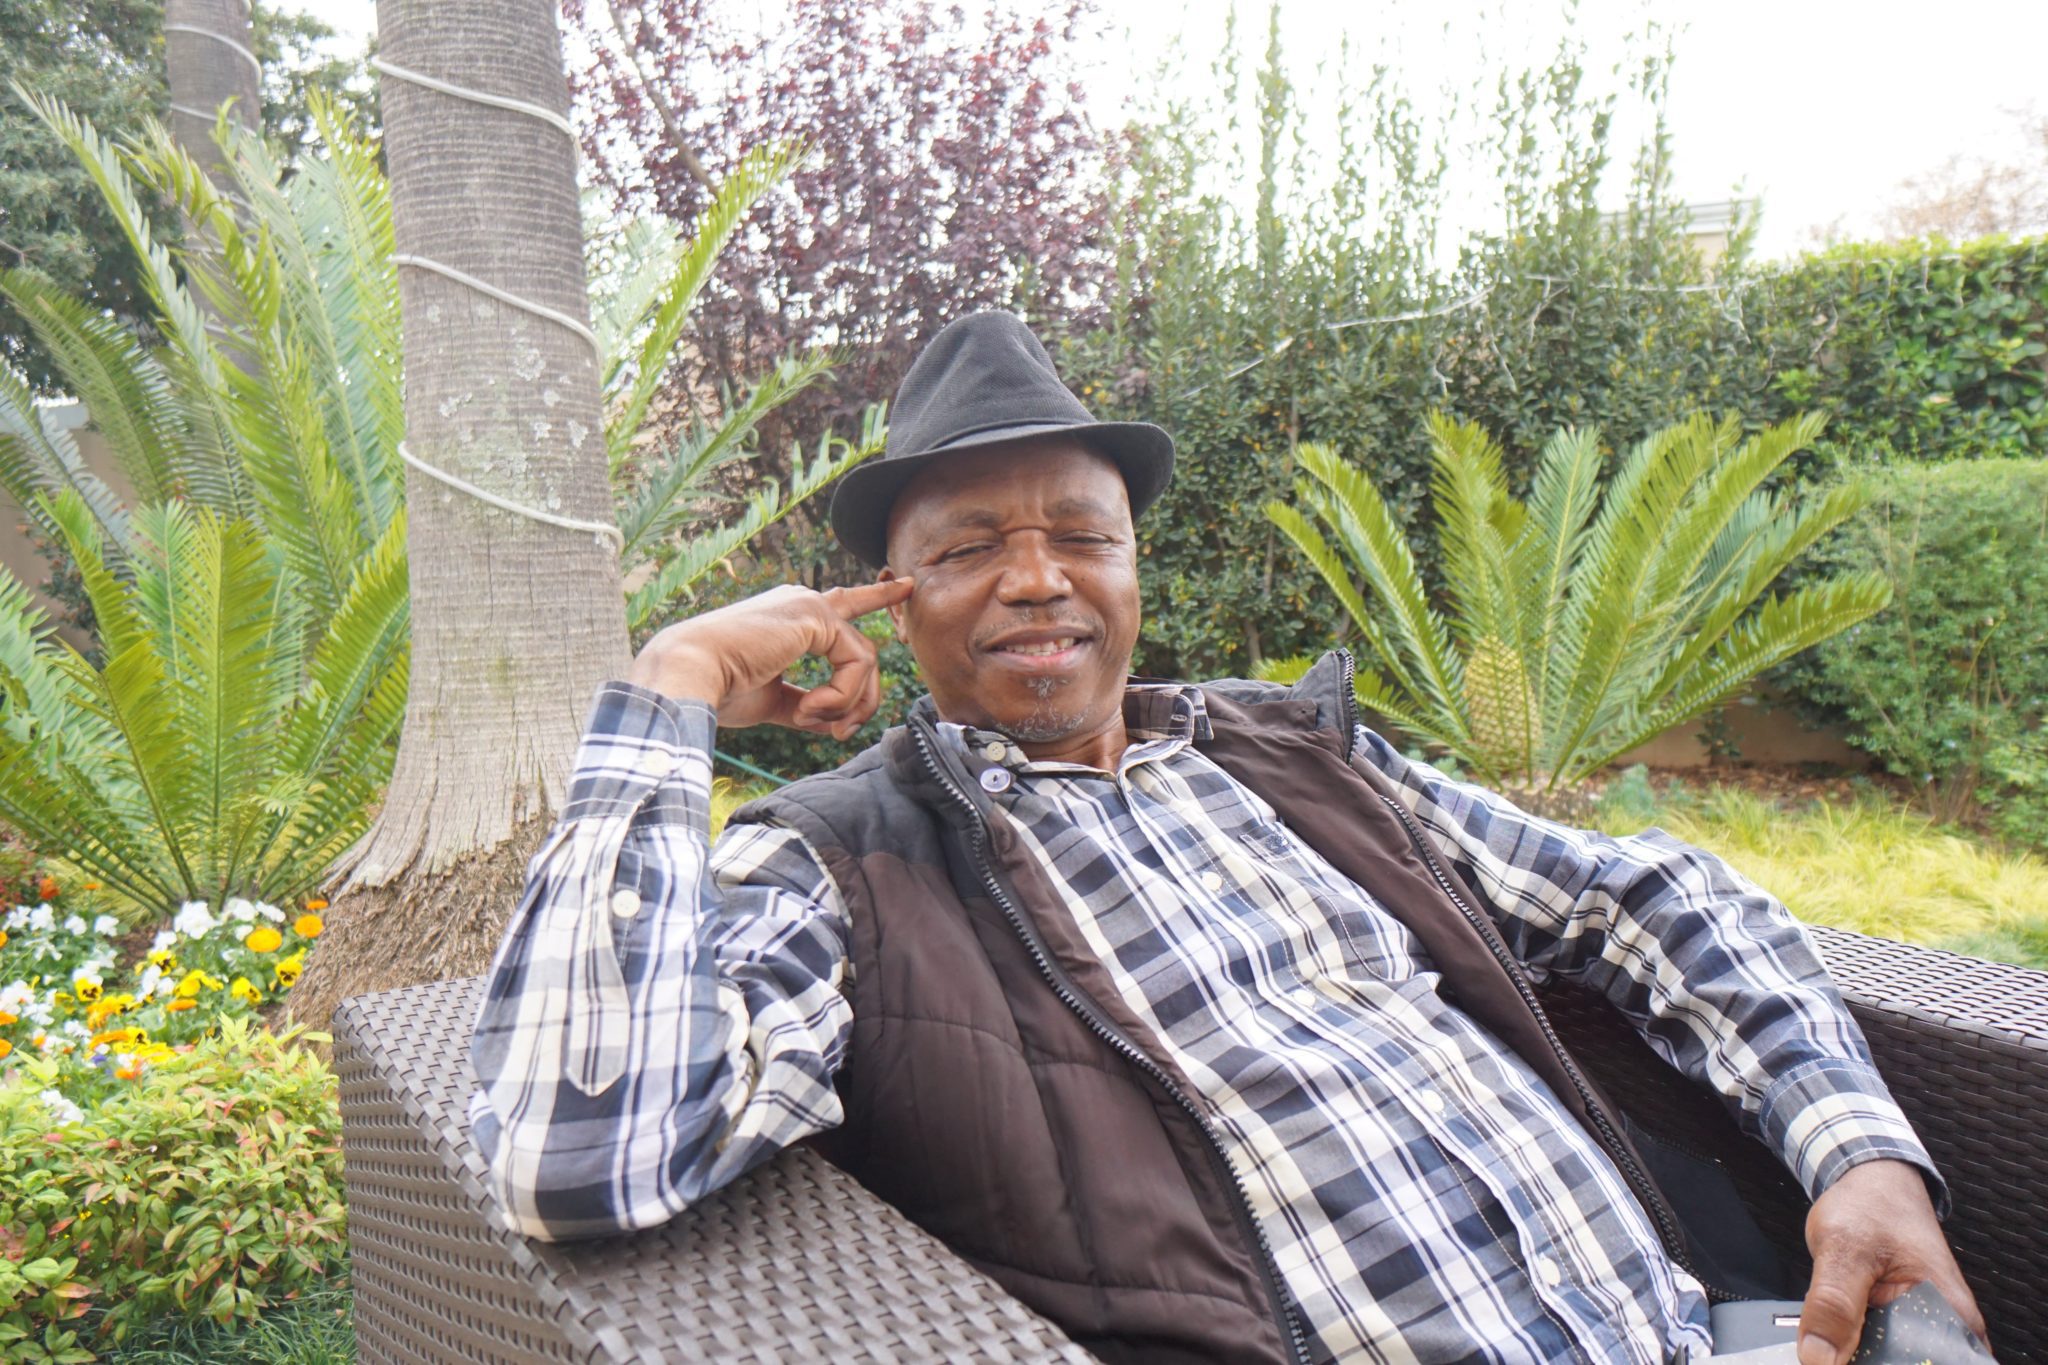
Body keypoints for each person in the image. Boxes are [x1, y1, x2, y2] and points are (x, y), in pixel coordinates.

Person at [469, 311, 1983, 1365]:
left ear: (1135, 565)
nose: (1038, 578)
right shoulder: (839, 865)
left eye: (1080, 533)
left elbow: (1646, 892)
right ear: (887, 601)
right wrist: (673, 686)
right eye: (970, 546)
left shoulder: (1298, 754)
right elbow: (571, 1152)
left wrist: (1859, 1156)